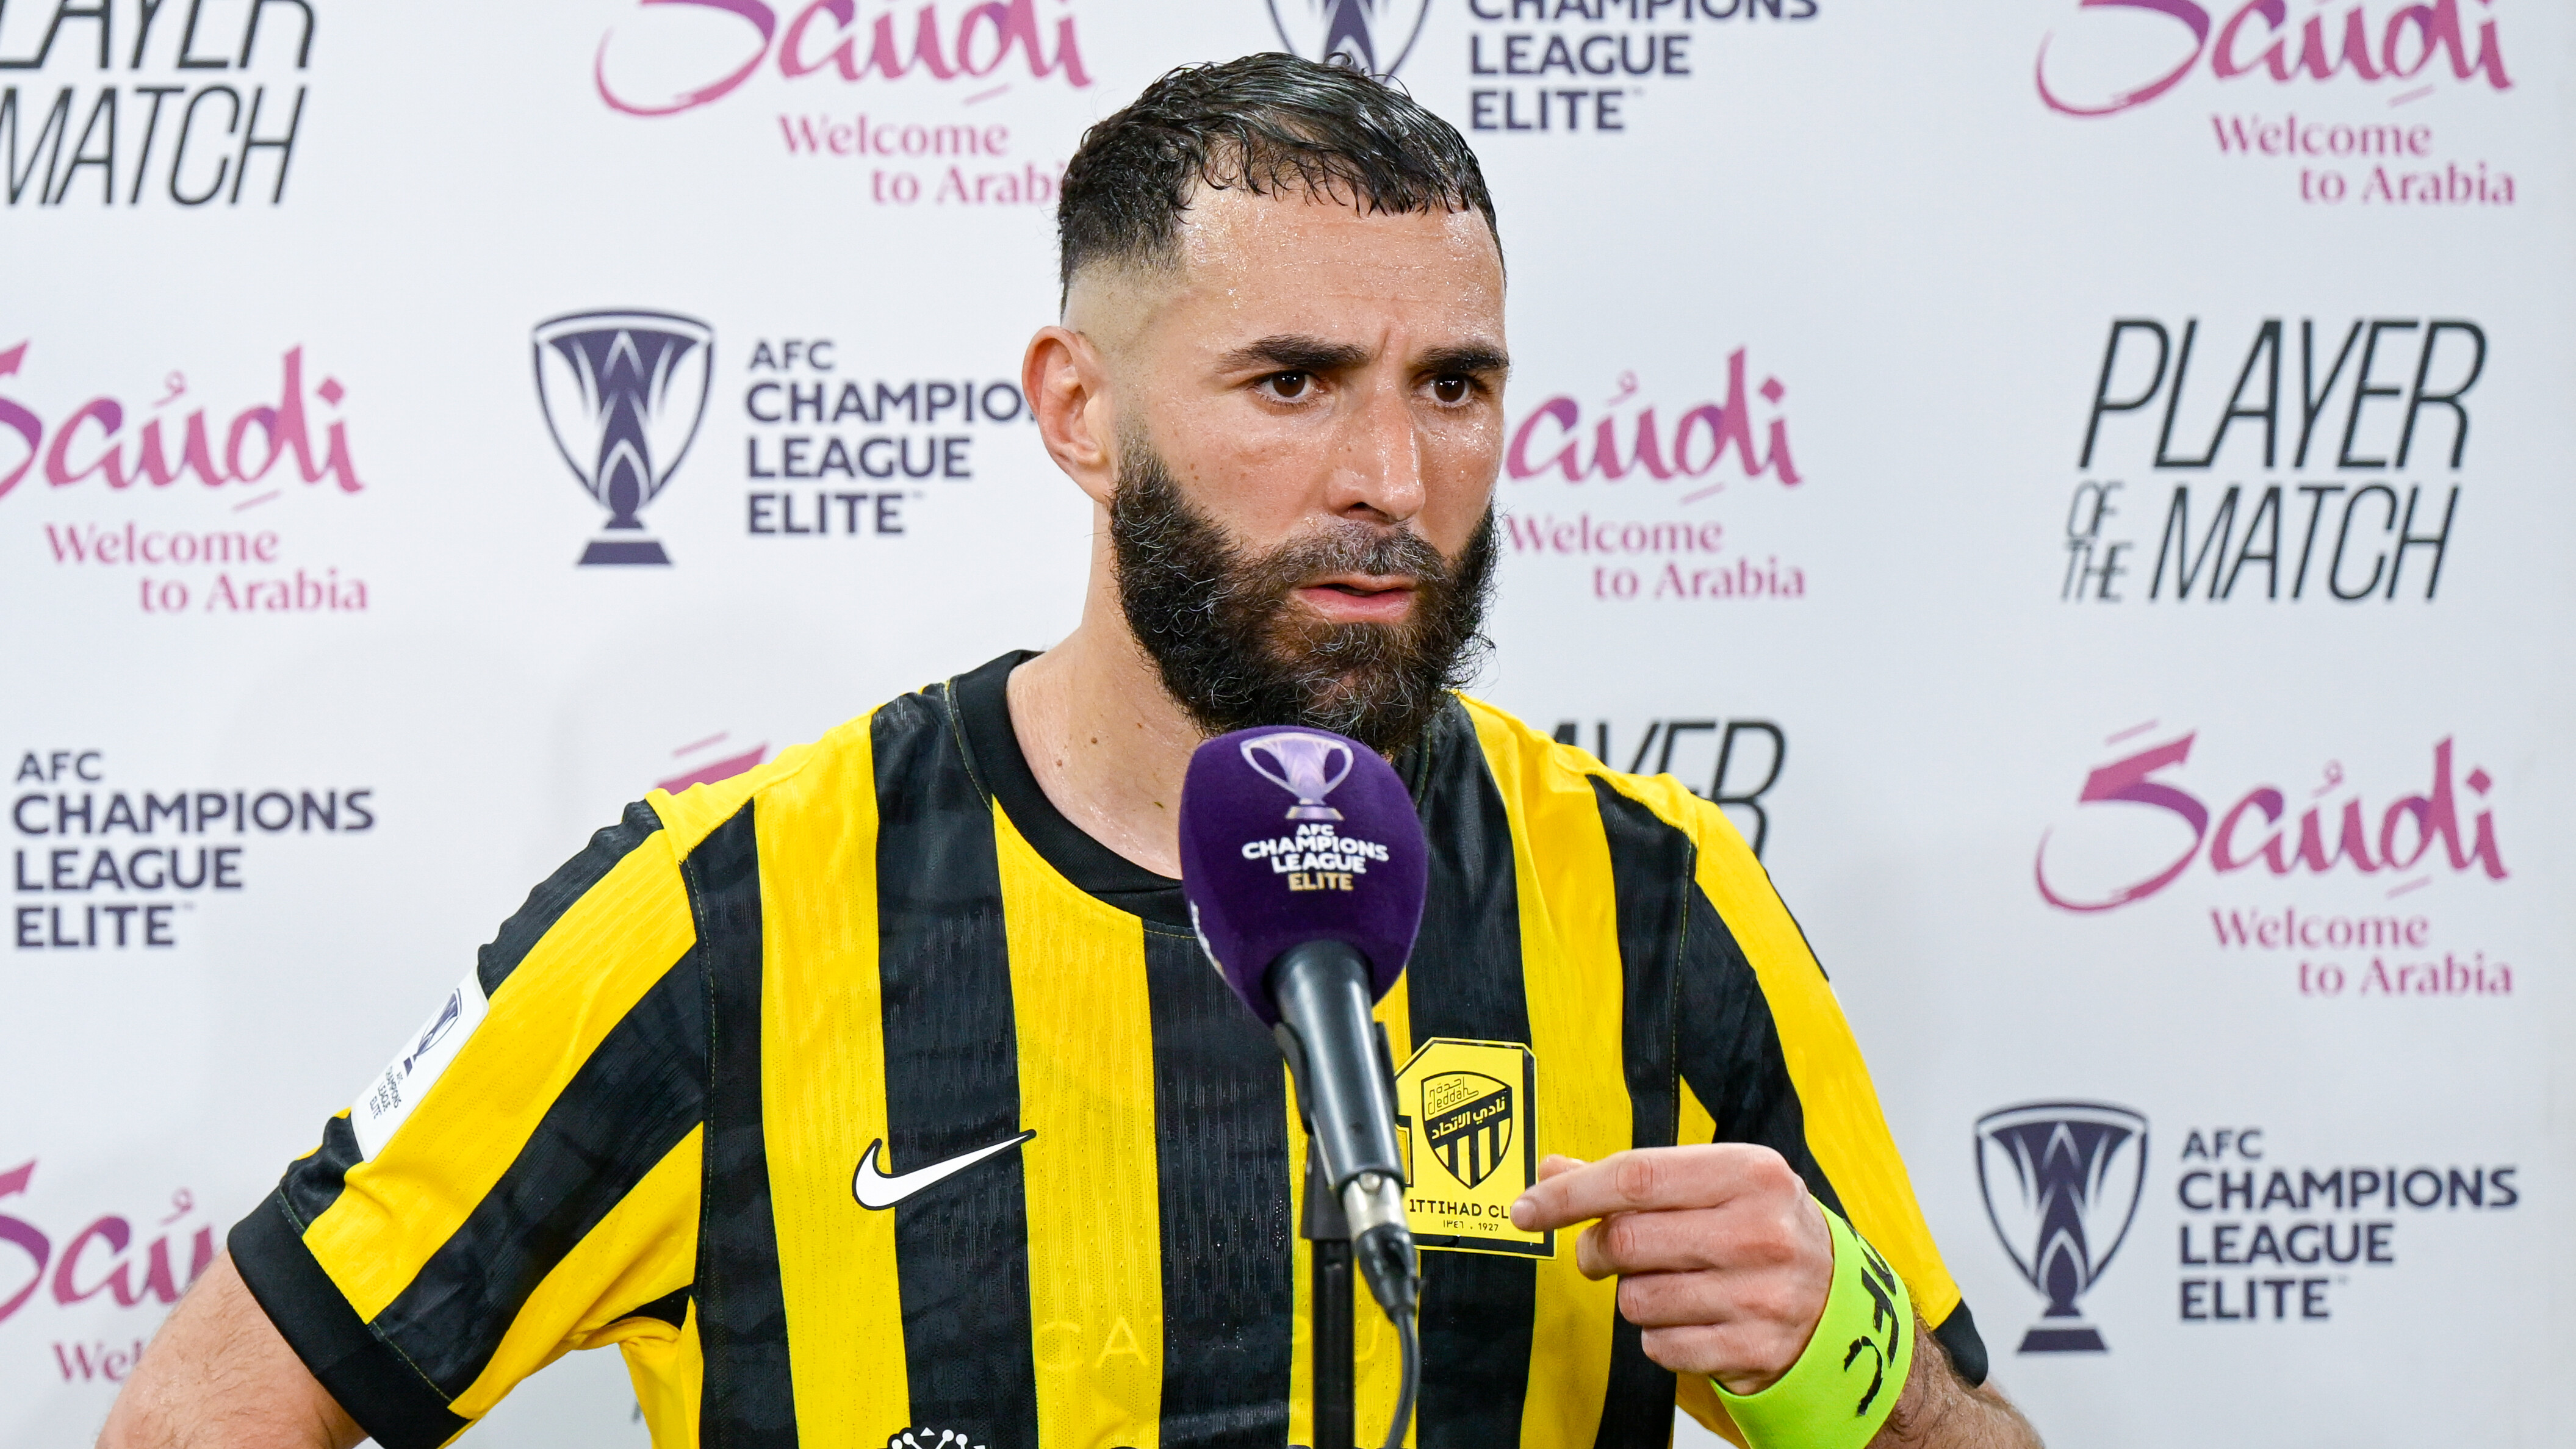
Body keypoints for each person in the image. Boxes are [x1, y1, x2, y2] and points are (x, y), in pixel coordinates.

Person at [100, 54, 2040, 1449]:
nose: (1392, 477)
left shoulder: (1654, 892)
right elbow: (210, 1415)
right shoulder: (727, 915)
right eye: (1293, 381)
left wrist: (1856, 1374)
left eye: (1454, 386)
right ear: (1079, 411)